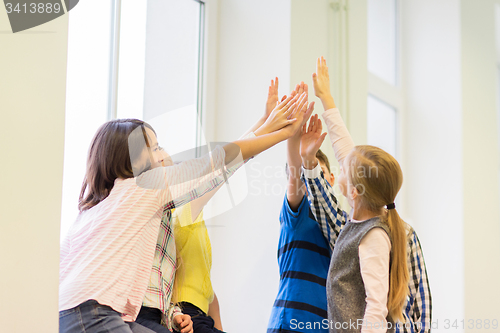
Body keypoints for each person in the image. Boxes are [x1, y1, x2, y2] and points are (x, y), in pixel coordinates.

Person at [59, 92, 312, 333]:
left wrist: (265, 126)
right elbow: (214, 164)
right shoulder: (143, 186)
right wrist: (281, 133)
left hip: (66, 311)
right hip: (94, 312)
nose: (162, 155)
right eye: (154, 147)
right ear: (135, 160)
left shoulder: (92, 212)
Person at [300, 57, 431, 333]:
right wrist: (326, 98)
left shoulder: (375, 235)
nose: (340, 166)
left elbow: (377, 306)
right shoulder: (361, 219)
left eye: (343, 170)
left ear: (355, 191)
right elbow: (346, 151)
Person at [266, 81, 333, 333]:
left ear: (332, 179)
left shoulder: (341, 222)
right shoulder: (299, 213)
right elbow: (295, 173)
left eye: (318, 172)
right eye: (309, 175)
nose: (312, 181)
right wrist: (294, 135)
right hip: (289, 323)